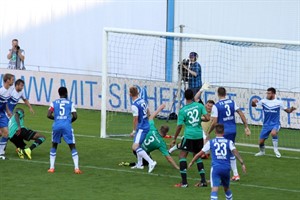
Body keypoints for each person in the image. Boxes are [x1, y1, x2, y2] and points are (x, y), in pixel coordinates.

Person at [188, 124, 246, 200]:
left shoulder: (211, 142)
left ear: (215, 132)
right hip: (226, 168)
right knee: (226, 188)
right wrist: (242, 163)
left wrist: (192, 162)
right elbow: (235, 152)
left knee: (215, 189)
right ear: (223, 132)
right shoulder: (229, 142)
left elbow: (199, 154)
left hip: (216, 168)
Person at [207, 87, 250, 181]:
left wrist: (208, 132)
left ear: (218, 94)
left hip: (222, 132)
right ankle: (235, 174)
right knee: (230, 152)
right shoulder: (232, 102)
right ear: (225, 93)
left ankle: (217, 176)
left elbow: (214, 122)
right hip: (233, 130)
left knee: (220, 153)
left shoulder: (216, 106)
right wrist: (246, 126)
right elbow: (241, 114)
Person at [120, 104, 179, 170]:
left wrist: (159, 108)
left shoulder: (152, 128)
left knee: (146, 156)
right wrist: (177, 167)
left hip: (135, 148)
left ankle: (141, 162)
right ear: (165, 134)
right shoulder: (161, 143)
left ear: (159, 129)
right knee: (147, 162)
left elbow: (151, 117)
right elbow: (168, 158)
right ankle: (139, 164)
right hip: (140, 151)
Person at [171, 89, 210, 188]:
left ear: (185, 97)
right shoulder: (200, 106)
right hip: (199, 135)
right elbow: (208, 118)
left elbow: (179, 126)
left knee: (182, 156)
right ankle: (203, 181)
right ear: (193, 96)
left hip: (189, 135)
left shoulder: (183, 110)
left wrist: (174, 138)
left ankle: (184, 183)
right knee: (197, 156)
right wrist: (199, 119)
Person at [252, 87, 296, 158]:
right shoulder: (263, 101)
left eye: (269, 93)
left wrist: (291, 109)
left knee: (273, 133)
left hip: (275, 124)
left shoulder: (279, 102)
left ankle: (276, 150)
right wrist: (253, 102)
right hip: (266, 125)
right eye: (267, 93)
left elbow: (287, 110)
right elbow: (253, 105)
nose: (267, 94)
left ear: (273, 94)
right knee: (261, 142)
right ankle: (262, 152)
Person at [47, 87, 82, 174]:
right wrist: (68, 121)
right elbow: (75, 116)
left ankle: (51, 168)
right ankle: (76, 168)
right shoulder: (70, 103)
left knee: (54, 145)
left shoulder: (54, 103)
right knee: (72, 146)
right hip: (67, 126)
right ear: (66, 93)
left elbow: (48, 115)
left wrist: (57, 119)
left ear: (59, 93)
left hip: (57, 126)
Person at [129, 86, 157, 173]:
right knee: (138, 145)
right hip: (146, 125)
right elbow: (148, 111)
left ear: (130, 94)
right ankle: (139, 164)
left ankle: (151, 162)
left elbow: (135, 119)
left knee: (135, 147)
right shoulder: (142, 100)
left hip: (141, 128)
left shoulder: (134, 105)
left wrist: (134, 131)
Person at [0, 73, 14, 160]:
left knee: (5, 133)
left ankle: (1, 153)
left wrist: (8, 111)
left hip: (2, 113)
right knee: (5, 133)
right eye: (12, 79)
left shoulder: (9, 90)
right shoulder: (1, 91)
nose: (13, 81)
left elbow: (5, 102)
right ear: (7, 80)